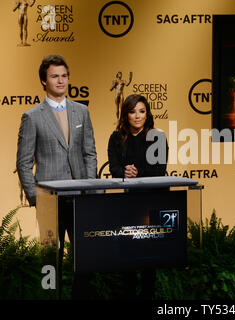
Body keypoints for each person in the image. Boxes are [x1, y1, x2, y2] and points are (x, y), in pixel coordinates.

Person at [16, 54, 97, 299]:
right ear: (44, 81)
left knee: (86, 257)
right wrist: (36, 198)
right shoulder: (32, 116)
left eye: (64, 76)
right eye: (54, 76)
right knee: (50, 261)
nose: (60, 81)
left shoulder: (81, 111)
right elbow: (23, 162)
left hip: (80, 199)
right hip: (49, 201)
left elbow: (90, 152)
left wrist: (90, 188)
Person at [107, 94, 168, 299]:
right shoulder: (116, 138)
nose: (137, 116)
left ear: (147, 113)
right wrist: (124, 172)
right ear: (126, 114)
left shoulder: (157, 137)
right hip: (127, 204)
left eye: (141, 111)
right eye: (132, 112)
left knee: (150, 259)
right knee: (128, 255)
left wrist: (137, 173)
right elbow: (113, 167)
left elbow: (160, 170)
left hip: (152, 204)